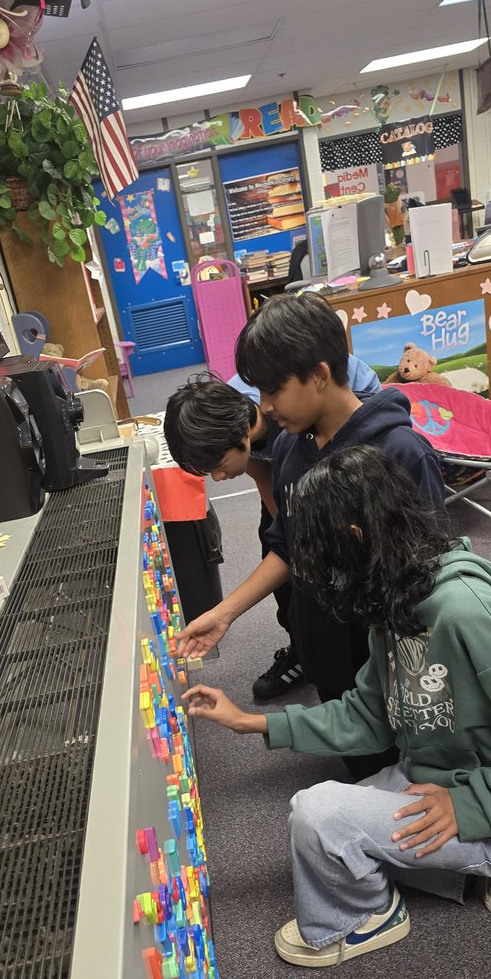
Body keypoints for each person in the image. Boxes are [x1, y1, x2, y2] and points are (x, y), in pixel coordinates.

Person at [183, 445, 491, 968]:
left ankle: (372, 915)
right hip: (437, 775)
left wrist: (471, 808)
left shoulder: (465, 613)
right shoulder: (395, 595)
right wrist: (250, 721)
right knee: (316, 821)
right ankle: (473, 865)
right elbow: (369, 716)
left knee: (320, 815)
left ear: (354, 539)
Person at [176, 294, 448, 779]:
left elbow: (435, 576)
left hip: (386, 650)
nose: (263, 406)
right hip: (326, 642)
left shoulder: (400, 452)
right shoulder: (288, 447)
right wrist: (223, 614)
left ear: (319, 375)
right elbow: (288, 544)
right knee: (360, 757)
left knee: (408, 772)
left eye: (272, 390)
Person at [164, 345, 381, 701]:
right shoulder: (232, 426)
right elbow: (267, 480)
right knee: (278, 550)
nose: (217, 478)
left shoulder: (293, 418)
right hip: (286, 469)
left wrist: (305, 541)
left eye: (218, 465)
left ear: (242, 435)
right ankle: (302, 647)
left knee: (333, 571)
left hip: (341, 460)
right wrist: (290, 535)